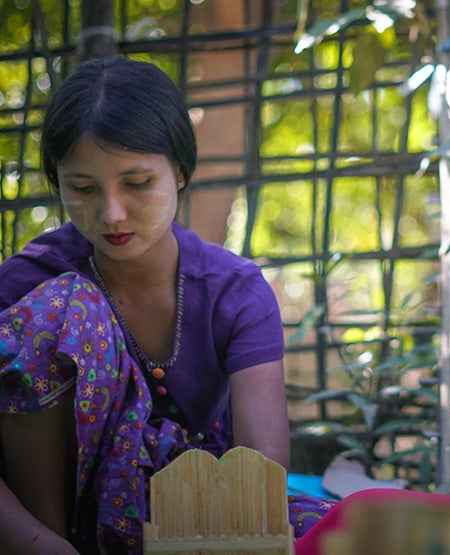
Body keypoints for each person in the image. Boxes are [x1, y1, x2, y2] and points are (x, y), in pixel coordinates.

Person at [0, 57, 334, 554]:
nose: (111, 212)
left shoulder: (234, 291)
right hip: (45, 529)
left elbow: (261, 475)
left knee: (342, 531)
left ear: (179, 171)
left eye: (136, 183)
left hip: (191, 511)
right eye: (82, 187)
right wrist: (35, 544)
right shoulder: (28, 285)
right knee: (58, 307)